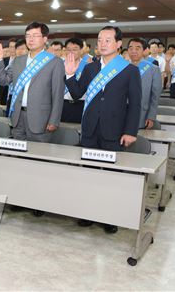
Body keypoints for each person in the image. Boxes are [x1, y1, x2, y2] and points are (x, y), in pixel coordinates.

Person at [65, 26, 141, 234]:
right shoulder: (90, 68)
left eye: (108, 40)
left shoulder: (129, 70)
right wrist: (70, 75)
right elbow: (76, 94)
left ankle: (109, 216)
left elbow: (135, 104)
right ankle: (88, 213)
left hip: (115, 131)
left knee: (111, 176)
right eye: (99, 40)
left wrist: (131, 131)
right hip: (90, 128)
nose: (102, 43)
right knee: (89, 172)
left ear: (118, 44)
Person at [0, 22, 65, 142]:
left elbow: (58, 94)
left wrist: (54, 120)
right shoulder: (18, 60)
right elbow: (4, 81)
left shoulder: (55, 62)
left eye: (35, 35)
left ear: (45, 39)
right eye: (28, 35)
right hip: (18, 117)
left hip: (41, 119)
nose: (30, 39)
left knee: (37, 156)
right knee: (18, 155)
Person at [128, 38, 162, 129]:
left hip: (143, 113)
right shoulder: (122, 68)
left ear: (144, 50)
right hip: (122, 113)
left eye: (137, 48)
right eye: (130, 48)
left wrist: (151, 117)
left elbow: (155, 95)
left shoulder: (153, 69)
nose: (133, 51)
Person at [61, 38, 91, 123]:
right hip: (63, 104)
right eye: (68, 49)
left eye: (75, 49)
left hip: (81, 105)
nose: (71, 52)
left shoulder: (88, 66)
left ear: (81, 50)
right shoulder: (59, 65)